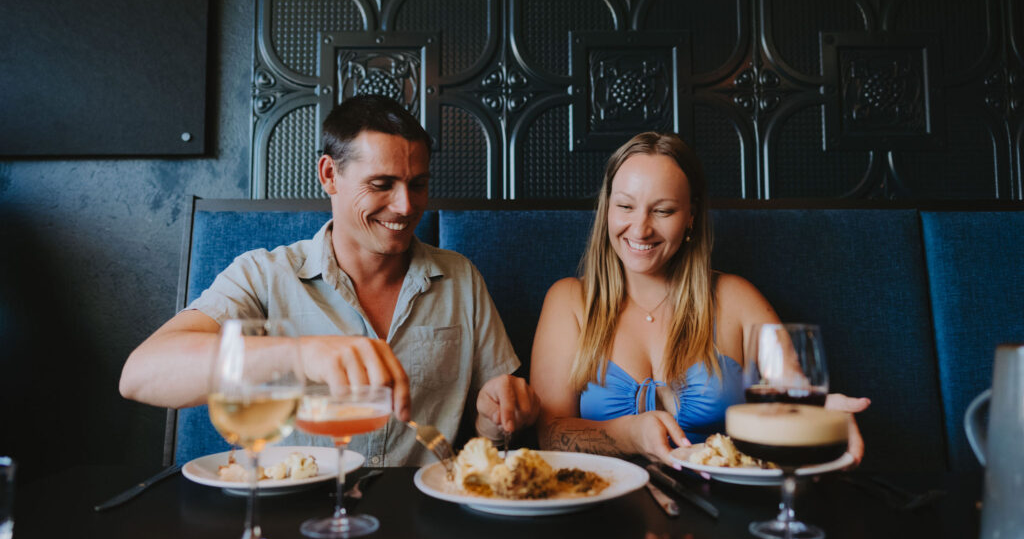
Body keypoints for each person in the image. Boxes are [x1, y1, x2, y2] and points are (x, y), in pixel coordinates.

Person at [120, 95, 539, 465]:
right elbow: (140, 374)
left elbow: (493, 433)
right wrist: (299, 355)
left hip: (418, 516)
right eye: (381, 184)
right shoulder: (264, 274)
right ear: (328, 175)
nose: (406, 206)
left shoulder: (461, 279)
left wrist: (493, 420)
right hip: (291, 515)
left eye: (419, 185)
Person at [529, 132, 868, 469]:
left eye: (663, 211)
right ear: (607, 210)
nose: (640, 228)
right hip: (602, 506)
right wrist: (630, 435)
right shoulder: (569, 301)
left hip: (727, 503)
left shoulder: (737, 298)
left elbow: (793, 400)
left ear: (690, 216)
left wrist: (820, 418)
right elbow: (549, 436)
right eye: (625, 206)